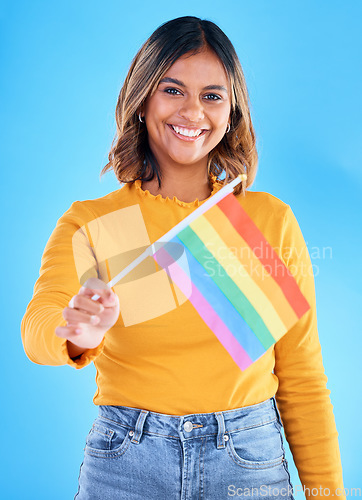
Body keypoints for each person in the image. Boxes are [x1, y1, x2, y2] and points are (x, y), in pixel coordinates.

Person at [21, 16, 345, 500]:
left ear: (232, 112)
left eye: (212, 96)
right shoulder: (93, 222)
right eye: (173, 90)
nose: (193, 111)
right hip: (124, 463)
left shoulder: (266, 220)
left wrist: (328, 495)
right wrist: (75, 332)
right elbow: (38, 325)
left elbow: (301, 378)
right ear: (142, 99)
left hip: (248, 462)